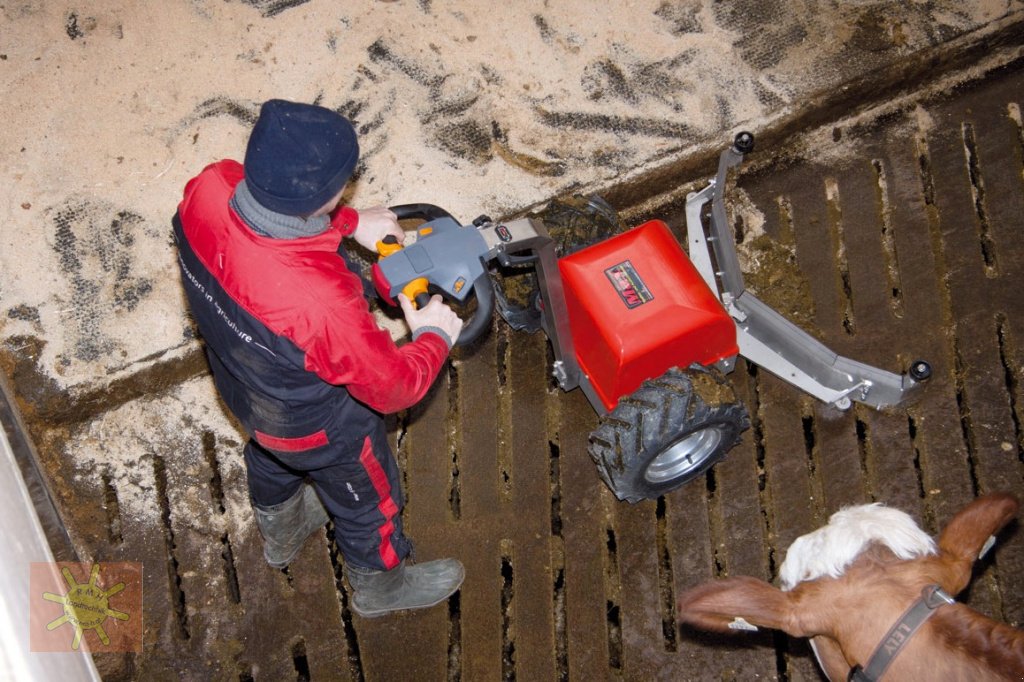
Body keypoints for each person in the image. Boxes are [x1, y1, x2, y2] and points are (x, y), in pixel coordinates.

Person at [172, 98, 465, 618]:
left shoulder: (208, 187)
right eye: (344, 186)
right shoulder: (319, 304)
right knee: (367, 501)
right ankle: (381, 588)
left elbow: (262, 214)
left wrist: (348, 222)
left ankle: (281, 532)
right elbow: (395, 387)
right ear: (322, 195)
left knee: (268, 454)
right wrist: (432, 336)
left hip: (245, 391)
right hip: (324, 428)